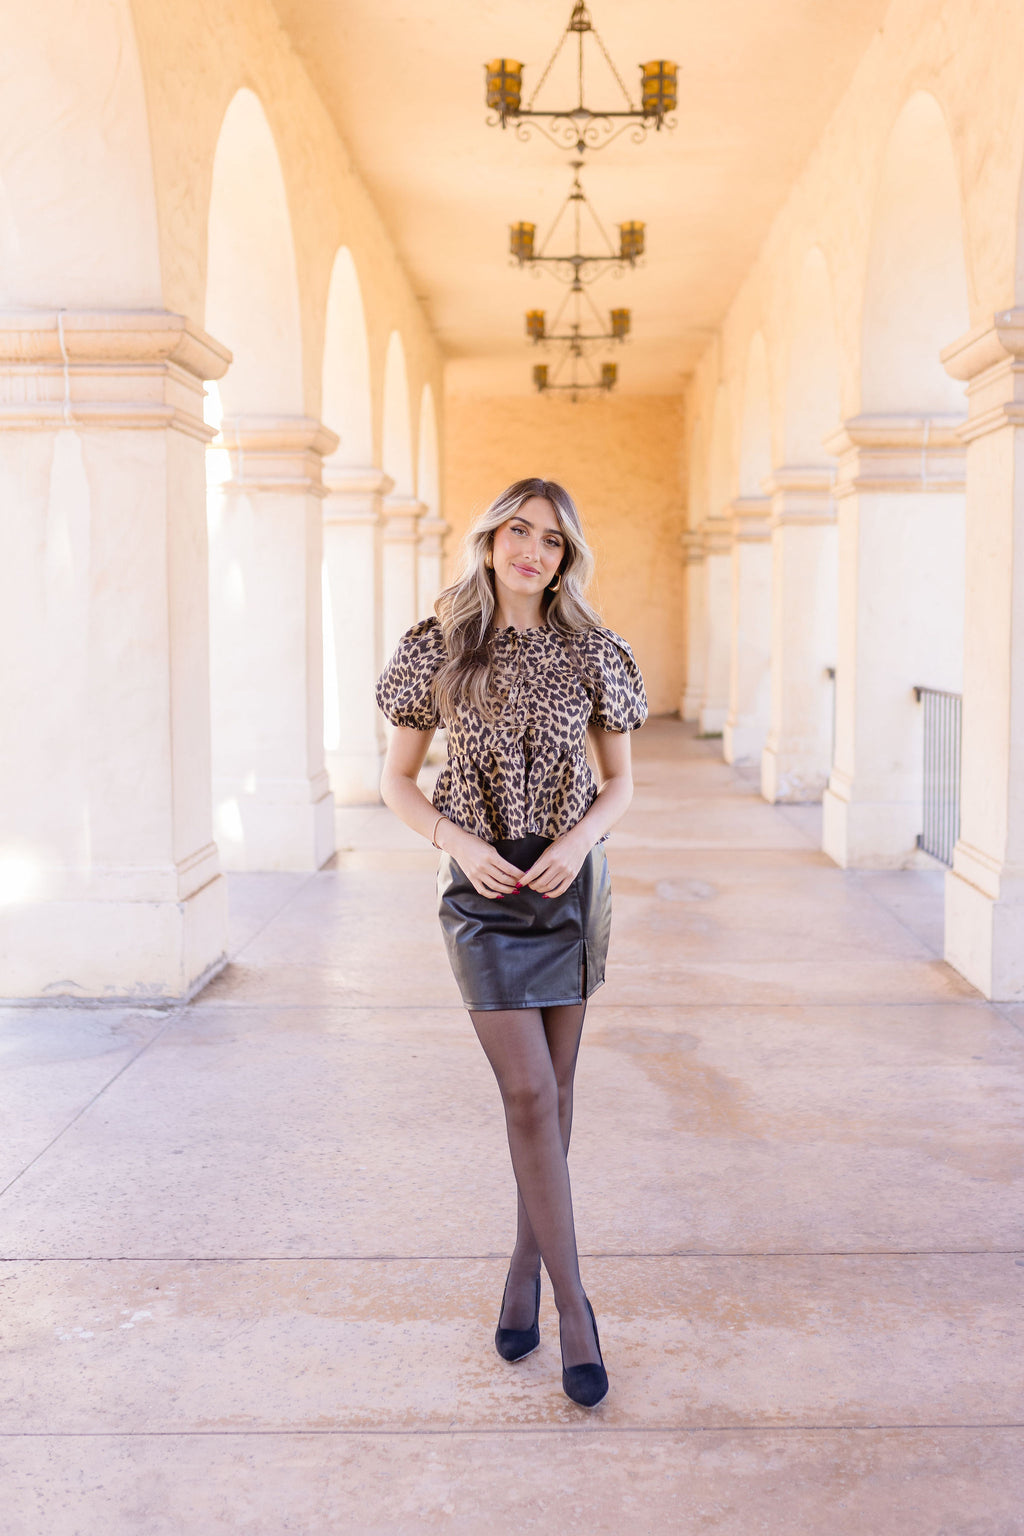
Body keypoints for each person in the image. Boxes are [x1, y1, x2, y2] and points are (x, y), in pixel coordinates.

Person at [374, 477, 647, 1408]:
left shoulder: (594, 651)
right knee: (528, 1090)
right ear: (490, 540)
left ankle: (524, 1273)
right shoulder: (437, 645)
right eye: (518, 531)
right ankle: (577, 1309)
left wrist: (575, 845)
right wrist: (460, 844)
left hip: (570, 890)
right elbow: (399, 780)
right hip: (483, 894)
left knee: (558, 1094)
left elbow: (620, 785)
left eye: (553, 540)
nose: (533, 550)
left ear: (567, 557)